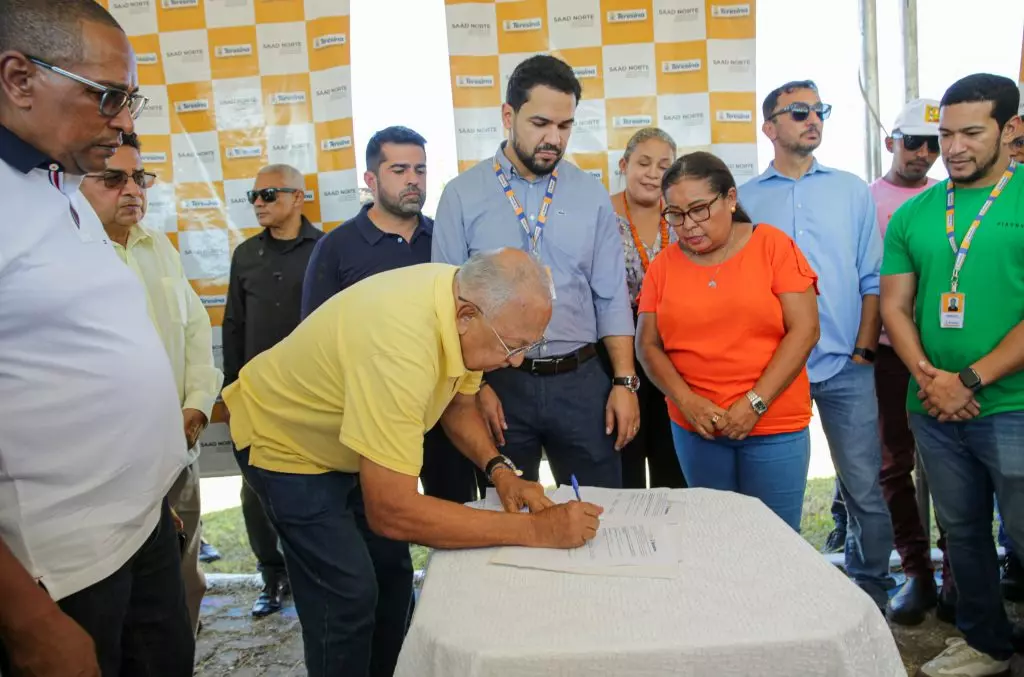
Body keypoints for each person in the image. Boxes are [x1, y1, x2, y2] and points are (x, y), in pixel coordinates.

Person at [225, 249, 603, 677]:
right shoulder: (401, 345)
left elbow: (457, 406)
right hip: (285, 443)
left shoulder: (464, 301)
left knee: (393, 576)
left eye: (529, 346)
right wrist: (537, 531)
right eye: (512, 347)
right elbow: (392, 512)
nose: (516, 361)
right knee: (347, 595)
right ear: (466, 316)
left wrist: (499, 471)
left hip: (344, 440)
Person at [0, 1, 194, 674]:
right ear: (19, 79)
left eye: (129, 97)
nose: (124, 120)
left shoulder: (62, 185)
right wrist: (24, 620)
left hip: (139, 529)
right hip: (61, 573)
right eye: (108, 96)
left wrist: (149, 492)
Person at [433, 54, 638, 489]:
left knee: (601, 512)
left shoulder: (590, 193)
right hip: (499, 386)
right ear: (508, 115)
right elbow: (445, 307)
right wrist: (475, 390)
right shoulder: (461, 196)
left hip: (582, 384)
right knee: (507, 517)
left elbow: (610, 296)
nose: (554, 138)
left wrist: (623, 382)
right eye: (541, 123)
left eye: (564, 126)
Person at [881, 73, 1024, 675]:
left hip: (1012, 406)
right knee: (961, 534)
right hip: (934, 409)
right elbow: (893, 305)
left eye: (971, 132)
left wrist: (967, 380)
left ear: (1010, 129)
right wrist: (931, 378)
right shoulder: (915, 213)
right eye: (945, 135)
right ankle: (987, 643)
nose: (954, 148)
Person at [738, 79, 895, 610]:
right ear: (770, 127)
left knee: (863, 489)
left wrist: (865, 348)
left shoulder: (852, 189)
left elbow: (871, 275)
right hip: (774, 371)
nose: (813, 119)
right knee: (774, 494)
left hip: (846, 366)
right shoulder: (745, 200)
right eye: (799, 111)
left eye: (819, 110)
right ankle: (778, 593)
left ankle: (871, 588)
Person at [77, 132, 223, 635]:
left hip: (178, 445)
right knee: (116, 603)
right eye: (114, 179)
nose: (133, 190)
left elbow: (195, 331)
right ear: (75, 182)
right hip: (105, 464)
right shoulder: (65, 257)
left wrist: (198, 404)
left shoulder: (157, 245)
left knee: (183, 584)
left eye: (140, 178)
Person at [635, 152, 820, 531]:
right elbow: (647, 346)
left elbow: (805, 330)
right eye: (675, 214)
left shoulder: (772, 246)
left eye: (699, 210)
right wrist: (687, 402)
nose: (687, 225)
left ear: (731, 199)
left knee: (777, 544)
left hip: (773, 427)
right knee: (715, 541)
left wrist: (755, 403)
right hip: (697, 428)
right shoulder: (664, 265)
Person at [302, 126, 479, 504]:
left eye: (420, 170)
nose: (413, 180)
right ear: (371, 178)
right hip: (370, 416)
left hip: (443, 411)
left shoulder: (446, 239)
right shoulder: (336, 248)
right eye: (399, 171)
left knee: (457, 515)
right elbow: (314, 337)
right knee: (382, 528)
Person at [223, 163, 323, 617]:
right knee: (256, 491)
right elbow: (233, 326)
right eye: (255, 196)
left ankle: (320, 577)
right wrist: (231, 389)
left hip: (316, 397)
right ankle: (272, 576)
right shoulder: (245, 255)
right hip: (257, 399)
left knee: (321, 488)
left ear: (299, 198)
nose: (259, 203)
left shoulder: (327, 250)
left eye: (270, 195)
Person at [863, 98, 945, 625]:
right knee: (894, 466)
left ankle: (959, 575)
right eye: (913, 141)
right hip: (891, 357)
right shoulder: (866, 199)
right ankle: (917, 572)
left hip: (952, 357)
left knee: (956, 467)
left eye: (933, 144)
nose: (923, 153)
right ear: (892, 140)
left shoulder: (955, 198)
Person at [610, 127, 686, 490]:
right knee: (624, 462)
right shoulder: (601, 215)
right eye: (643, 163)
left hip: (674, 355)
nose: (653, 173)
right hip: (619, 355)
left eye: (663, 165)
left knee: (673, 466)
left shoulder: (683, 218)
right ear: (624, 165)